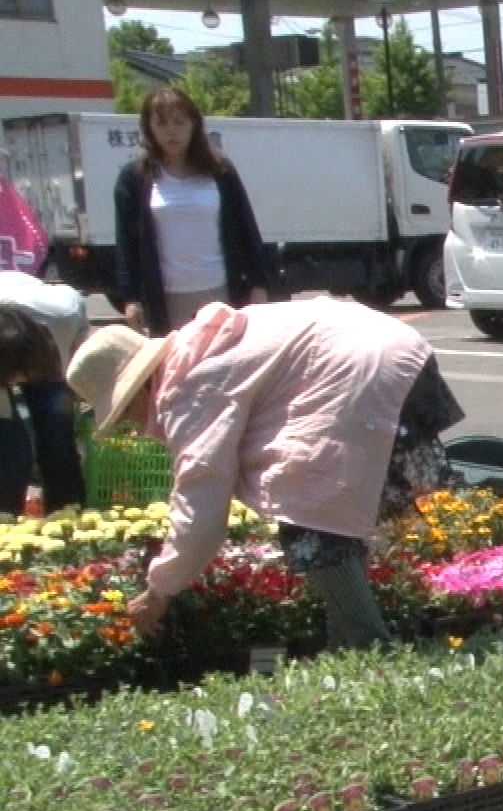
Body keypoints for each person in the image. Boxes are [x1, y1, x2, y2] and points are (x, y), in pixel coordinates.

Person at [65, 297, 465, 651]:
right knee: (331, 520)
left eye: (123, 412)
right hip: (393, 352)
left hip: (361, 370)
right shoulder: (197, 349)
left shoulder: (186, 387)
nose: (130, 425)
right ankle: (345, 647)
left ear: (138, 389)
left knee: (310, 516)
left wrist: (159, 591)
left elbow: (201, 503)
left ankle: (370, 648)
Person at [114, 87, 273, 337]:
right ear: (149, 129)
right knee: (177, 370)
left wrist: (258, 283)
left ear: (193, 125)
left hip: (219, 290)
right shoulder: (134, 178)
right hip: (166, 298)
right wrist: (131, 297)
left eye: (179, 122)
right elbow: (127, 243)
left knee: (225, 367)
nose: (172, 131)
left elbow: (246, 228)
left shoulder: (220, 171)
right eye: (162, 123)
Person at [0, 272, 88, 515]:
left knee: (45, 436)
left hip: (41, 326)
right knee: (12, 443)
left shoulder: (67, 313)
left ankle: (65, 508)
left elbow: (76, 370)